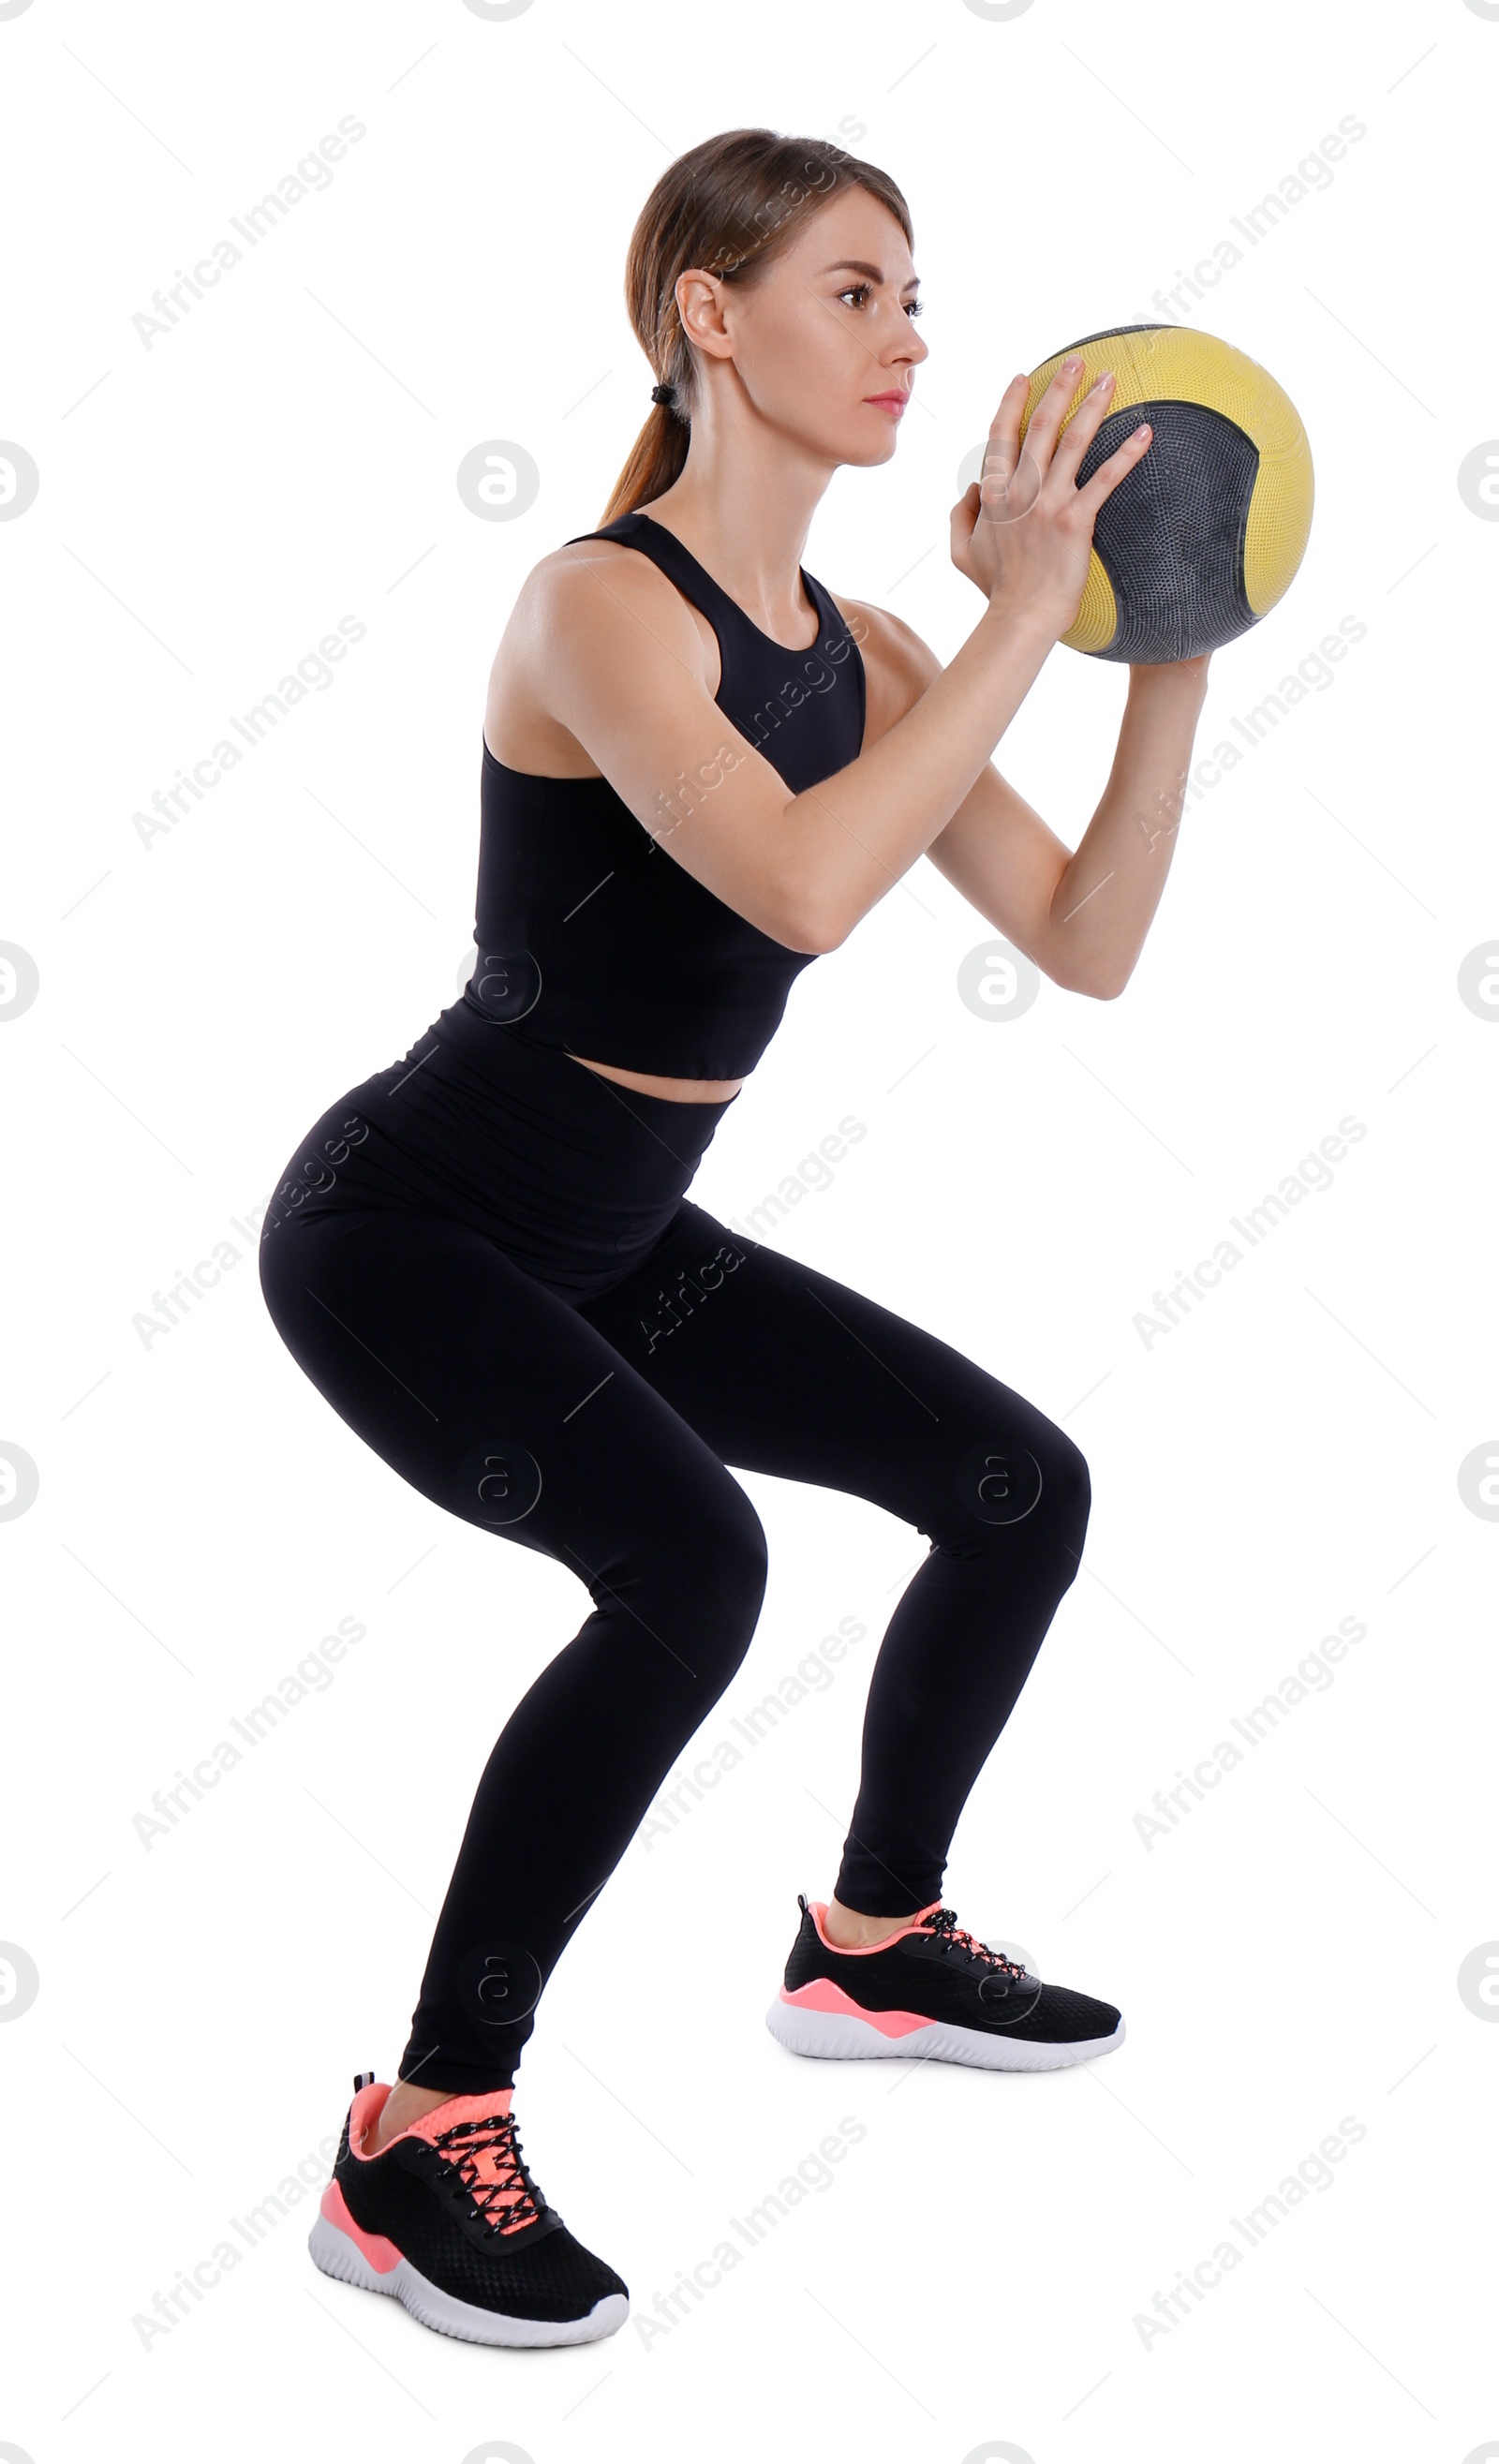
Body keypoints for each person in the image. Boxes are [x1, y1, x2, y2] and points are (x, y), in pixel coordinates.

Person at [258, 126, 1211, 2350]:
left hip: (616, 1233)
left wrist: (1156, 636)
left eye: (911, 294)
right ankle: (420, 2133)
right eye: (856, 291)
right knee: (687, 1570)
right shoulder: (595, 602)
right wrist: (1018, 619)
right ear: (711, 312)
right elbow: (793, 885)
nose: (909, 339)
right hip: (407, 1229)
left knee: (1014, 1490)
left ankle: (871, 1940)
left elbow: (1082, 939)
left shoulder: (870, 647)